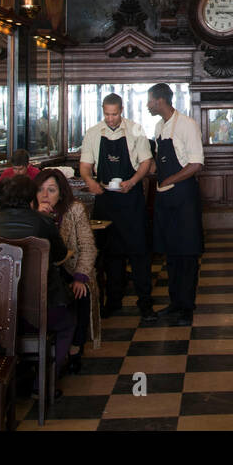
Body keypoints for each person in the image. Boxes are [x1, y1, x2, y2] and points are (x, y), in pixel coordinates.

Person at [0, 176, 80, 380]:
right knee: (69, 323)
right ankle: (42, 382)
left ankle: (12, 378)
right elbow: (60, 256)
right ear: (31, 197)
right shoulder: (43, 222)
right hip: (40, 309)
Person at [80, 93, 155, 320]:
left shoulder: (135, 130)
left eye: (115, 114)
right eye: (107, 114)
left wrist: (133, 182)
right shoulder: (93, 133)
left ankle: (145, 303)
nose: (111, 119)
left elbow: (146, 162)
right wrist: (90, 182)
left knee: (139, 252)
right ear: (102, 111)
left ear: (121, 110)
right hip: (106, 200)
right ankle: (113, 301)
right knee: (111, 253)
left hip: (131, 200)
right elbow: (85, 166)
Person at [147, 83, 204, 323]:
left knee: (187, 254)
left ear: (160, 101)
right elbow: (157, 162)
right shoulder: (160, 126)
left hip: (183, 197)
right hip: (165, 197)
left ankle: (187, 308)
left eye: (149, 101)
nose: (147, 105)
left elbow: (196, 164)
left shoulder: (187, 125)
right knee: (171, 253)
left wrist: (170, 178)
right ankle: (174, 303)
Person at [34, 168, 99, 368]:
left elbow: (88, 247)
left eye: (51, 190)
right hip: (40, 274)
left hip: (69, 270)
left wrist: (81, 276)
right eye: (41, 190)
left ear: (61, 193)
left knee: (80, 292)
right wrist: (40, 219)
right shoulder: (30, 213)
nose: (45, 196)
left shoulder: (74, 210)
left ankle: (75, 346)